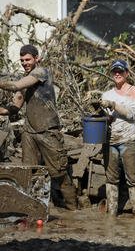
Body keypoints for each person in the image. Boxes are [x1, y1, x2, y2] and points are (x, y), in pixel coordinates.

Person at [0, 44, 77, 209]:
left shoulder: (41, 72)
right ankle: (33, 210)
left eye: (27, 59)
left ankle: (74, 210)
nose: (24, 63)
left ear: (37, 59)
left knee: (59, 173)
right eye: (22, 60)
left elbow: (16, 86)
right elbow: (14, 106)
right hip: (30, 132)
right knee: (29, 173)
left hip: (48, 130)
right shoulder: (25, 78)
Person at [98, 60, 135, 217]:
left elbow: (130, 113)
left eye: (120, 71)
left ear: (127, 73)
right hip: (110, 140)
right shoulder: (107, 94)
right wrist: (98, 113)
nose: (117, 74)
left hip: (128, 140)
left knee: (133, 179)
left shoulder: (133, 90)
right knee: (111, 179)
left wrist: (112, 104)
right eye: (114, 71)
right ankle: (111, 215)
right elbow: (108, 119)